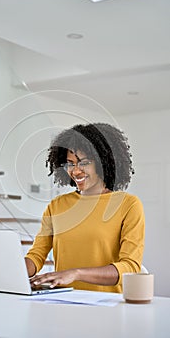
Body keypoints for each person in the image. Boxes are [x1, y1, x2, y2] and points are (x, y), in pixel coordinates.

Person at [25, 123, 145, 293]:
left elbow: (130, 267)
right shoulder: (57, 206)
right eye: (70, 164)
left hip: (107, 305)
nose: (76, 171)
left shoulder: (128, 205)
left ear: (104, 162)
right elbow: (36, 256)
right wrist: (13, 270)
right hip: (63, 301)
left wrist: (76, 273)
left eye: (85, 163)